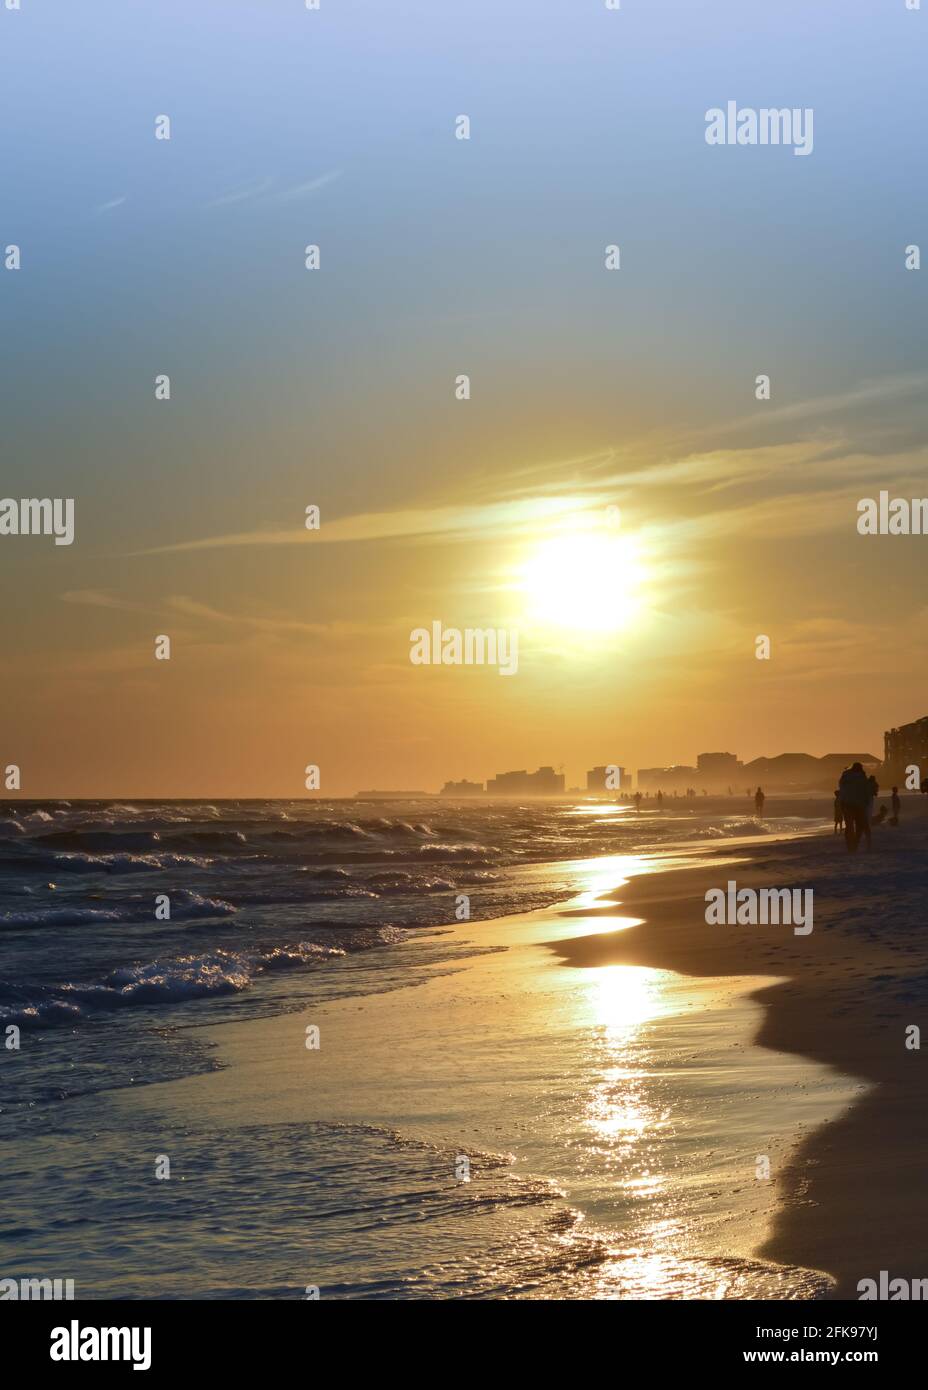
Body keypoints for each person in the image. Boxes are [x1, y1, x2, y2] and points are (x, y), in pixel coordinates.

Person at [839, 762, 871, 853]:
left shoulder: (845, 775)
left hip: (847, 804)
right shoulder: (862, 776)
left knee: (849, 827)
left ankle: (850, 846)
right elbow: (866, 790)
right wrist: (866, 802)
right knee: (859, 826)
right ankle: (855, 844)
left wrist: (841, 802)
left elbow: (842, 789)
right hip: (859, 805)